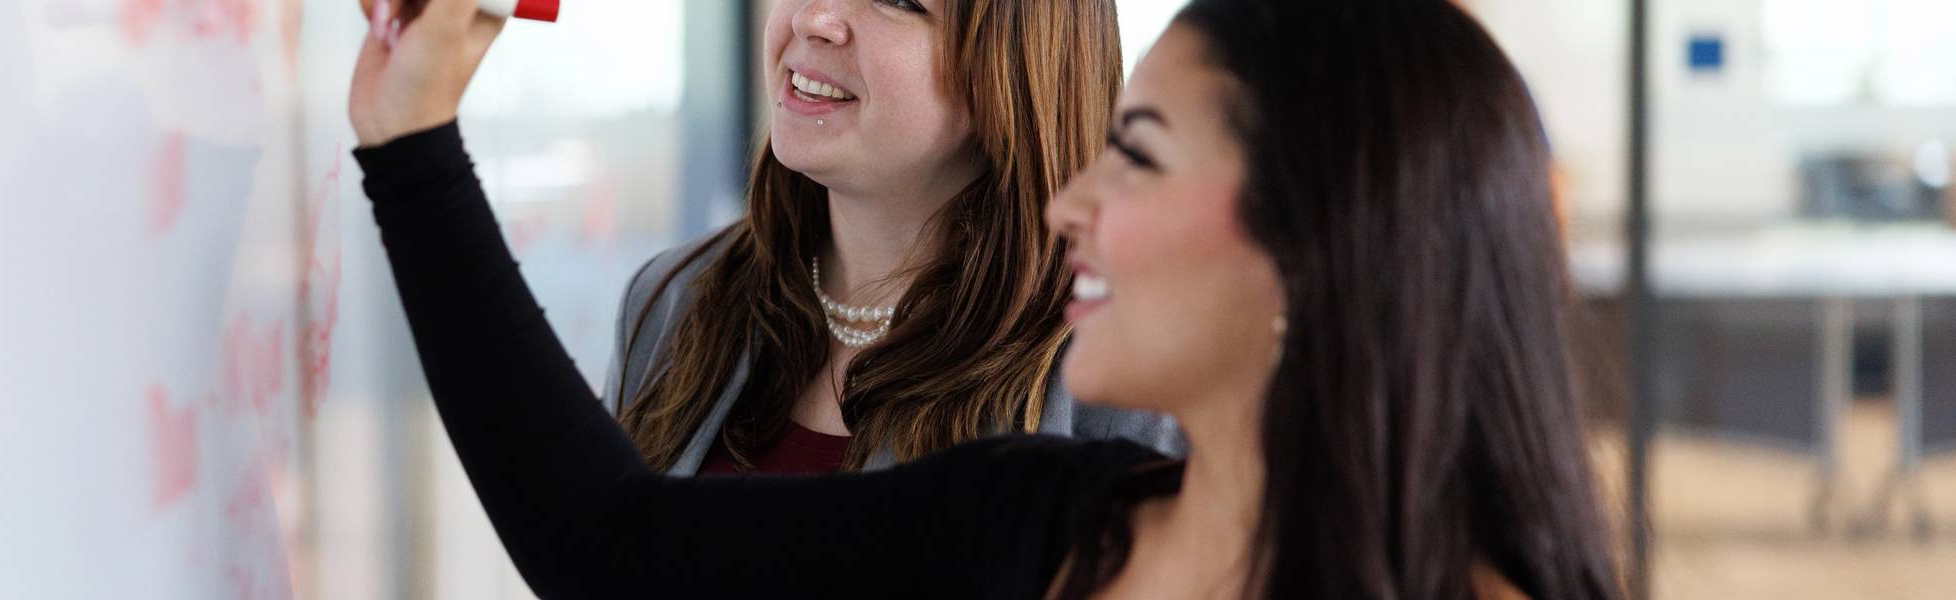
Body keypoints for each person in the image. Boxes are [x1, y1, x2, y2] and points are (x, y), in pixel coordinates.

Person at [347, 0, 1620, 597]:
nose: (1079, 202)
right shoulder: (1035, 523)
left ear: (1319, 245)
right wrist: (412, 142)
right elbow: (606, 550)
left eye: (1141, 153)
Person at [602, 0, 1180, 476]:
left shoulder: (1127, 368)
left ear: (1017, 68)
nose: (814, 18)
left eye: (896, 2)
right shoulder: (673, 300)